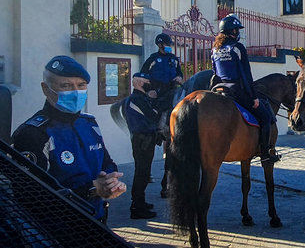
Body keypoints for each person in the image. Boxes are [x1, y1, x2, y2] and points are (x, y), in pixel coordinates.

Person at [11, 56, 126, 223]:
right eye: (66, 86)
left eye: (81, 86)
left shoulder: (88, 123)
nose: (75, 92)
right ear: (46, 89)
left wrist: (110, 181)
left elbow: (106, 162)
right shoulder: (33, 133)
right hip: (57, 228)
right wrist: (92, 189)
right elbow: (30, 195)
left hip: (96, 221)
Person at [211, 14, 280, 163]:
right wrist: (253, 97)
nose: (238, 33)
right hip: (237, 91)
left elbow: (215, 73)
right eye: (236, 30)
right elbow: (245, 75)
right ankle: (265, 153)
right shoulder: (237, 48)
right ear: (230, 31)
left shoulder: (215, 49)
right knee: (266, 117)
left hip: (220, 88)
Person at [125, 73, 159, 219]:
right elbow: (153, 115)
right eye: (146, 81)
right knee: (141, 173)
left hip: (145, 139)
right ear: (138, 83)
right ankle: (137, 207)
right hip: (142, 140)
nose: (149, 83)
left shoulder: (141, 98)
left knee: (144, 173)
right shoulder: (137, 99)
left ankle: (141, 201)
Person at [138, 33, 183, 113]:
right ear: (160, 45)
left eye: (169, 44)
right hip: (156, 90)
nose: (169, 46)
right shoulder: (153, 58)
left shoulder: (173, 58)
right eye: (166, 44)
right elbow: (143, 74)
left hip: (172, 89)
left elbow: (179, 73)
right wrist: (149, 90)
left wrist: (179, 77)